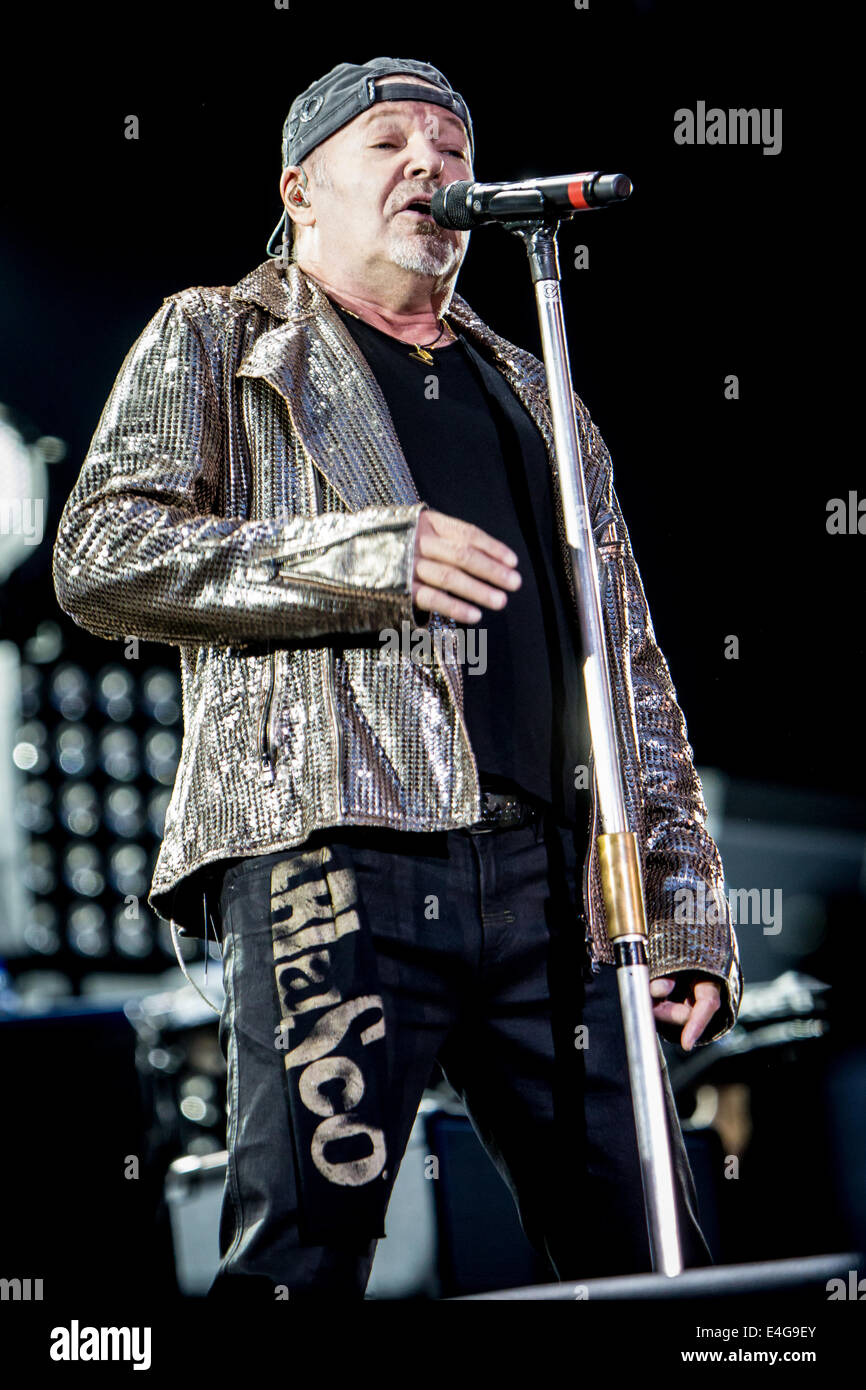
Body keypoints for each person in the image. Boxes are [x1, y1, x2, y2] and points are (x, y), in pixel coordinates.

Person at [53, 56, 743, 1301]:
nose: (432, 163)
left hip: (557, 885)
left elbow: (630, 663)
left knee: (652, 1253)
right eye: (389, 141)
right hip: (330, 849)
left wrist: (686, 900)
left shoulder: (538, 389)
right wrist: (365, 553)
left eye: (453, 144)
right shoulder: (219, 333)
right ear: (300, 189)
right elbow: (104, 555)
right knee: (303, 1256)